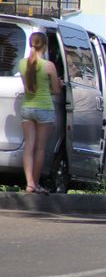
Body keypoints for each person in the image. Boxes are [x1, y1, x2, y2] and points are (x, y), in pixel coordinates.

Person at [17, 32, 62, 194]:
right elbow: (56, 91)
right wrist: (57, 84)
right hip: (44, 108)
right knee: (40, 148)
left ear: (31, 44)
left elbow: (28, 88)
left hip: (27, 108)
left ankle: (29, 184)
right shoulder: (49, 66)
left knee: (29, 146)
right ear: (44, 45)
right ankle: (35, 184)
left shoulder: (22, 64)